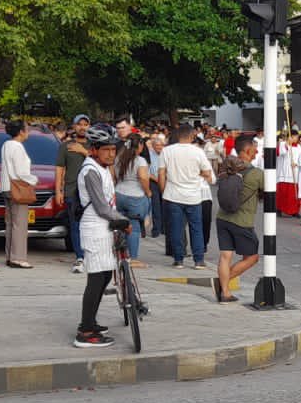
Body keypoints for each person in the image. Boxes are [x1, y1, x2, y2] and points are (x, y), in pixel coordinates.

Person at [74, 125, 133, 348]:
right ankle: (85, 331)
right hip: (95, 229)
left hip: (104, 227)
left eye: (113, 149)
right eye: (106, 150)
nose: (110, 154)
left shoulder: (102, 168)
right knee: (96, 279)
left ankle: (91, 321)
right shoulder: (90, 171)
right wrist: (122, 220)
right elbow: (101, 206)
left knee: (105, 276)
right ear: (94, 150)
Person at [213, 136, 266, 303]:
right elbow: (268, 192)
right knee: (252, 257)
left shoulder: (228, 168)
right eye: (255, 149)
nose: (257, 152)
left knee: (225, 256)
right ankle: (223, 282)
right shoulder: (257, 173)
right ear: (247, 151)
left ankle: (225, 293)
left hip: (222, 217)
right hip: (242, 221)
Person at [161, 124, 214, 269]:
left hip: (172, 195)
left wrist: (163, 191)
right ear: (192, 136)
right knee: (196, 228)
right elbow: (208, 173)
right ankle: (199, 260)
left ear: (178, 135)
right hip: (193, 196)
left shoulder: (167, 151)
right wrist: (197, 173)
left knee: (176, 228)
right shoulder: (198, 152)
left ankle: (178, 259)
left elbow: (161, 174)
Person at [0, 120, 36, 269]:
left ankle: (10, 256)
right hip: (17, 187)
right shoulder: (18, 147)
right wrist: (33, 180)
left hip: (6, 186)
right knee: (20, 224)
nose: (28, 132)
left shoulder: (6, 145)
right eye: (27, 129)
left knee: (10, 223)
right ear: (21, 131)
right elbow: (21, 172)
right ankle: (18, 258)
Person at [112, 134, 152, 268]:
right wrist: (148, 192)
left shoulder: (118, 159)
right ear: (139, 145)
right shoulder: (140, 161)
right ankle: (133, 258)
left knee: (120, 226)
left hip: (119, 194)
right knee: (133, 227)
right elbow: (143, 178)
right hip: (135, 196)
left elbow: (114, 176)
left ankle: (120, 255)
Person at [59, 118, 92, 273]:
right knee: (75, 225)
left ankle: (91, 255)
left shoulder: (94, 145)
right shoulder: (65, 146)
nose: (82, 127)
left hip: (91, 193)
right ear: (74, 126)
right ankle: (80, 257)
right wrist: (58, 191)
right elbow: (59, 169)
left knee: (91, 225)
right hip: (72, 191)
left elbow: (101, 162)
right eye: (79, 124)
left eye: (85, 124)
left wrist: (83, 151)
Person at [276, 131, 300, 218]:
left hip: (294, 173)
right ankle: (279, 209)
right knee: (282, 193)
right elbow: (281, 153)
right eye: (296, 137)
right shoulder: (282, 144)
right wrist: (287, 144)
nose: (297, 139)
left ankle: (294, 211)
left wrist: (297, 164)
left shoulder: (298, 147)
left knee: (293, 195)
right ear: (291, 137)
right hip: (284, 173)